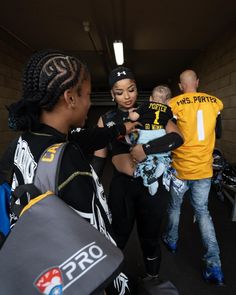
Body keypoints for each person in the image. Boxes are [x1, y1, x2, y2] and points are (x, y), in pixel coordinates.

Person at [7, 49, 139, 294]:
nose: (90, 102)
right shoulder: (69, 161)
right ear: (70, 98)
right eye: (87, 95)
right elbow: (92, 243)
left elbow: (89, 137)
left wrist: (122, 127)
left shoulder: (23, 142)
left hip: (38, 267)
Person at [93, 66, 183, 281]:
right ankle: (110, 281)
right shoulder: (106, 119)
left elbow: (177, 138)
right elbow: (99, 158)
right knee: (117, 236)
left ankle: (152, 279)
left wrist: (147, 149)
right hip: (122, 188)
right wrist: (90, 188)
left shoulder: (155, 110)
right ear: (112, 94)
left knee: (150, 238)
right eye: (119, 92)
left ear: (137, 89)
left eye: (131, 89)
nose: (127, 96)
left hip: (152, 188)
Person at [161, 69, 225, 285]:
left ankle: (171, 242)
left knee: (174, 208)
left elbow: (168, 134)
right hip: (204, 170)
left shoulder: (174, 104)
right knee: (203, 212)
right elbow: (220, 133)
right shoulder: (215, 102)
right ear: (197, 82)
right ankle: (214, 265)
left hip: (180, 169)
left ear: (180, 86)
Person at [127, 85, 174, 196]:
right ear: (167, 101)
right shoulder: (168, 109)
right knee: (163, 153)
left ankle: (149, 176)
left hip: (145, 134)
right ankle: (161, 164)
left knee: (143, 158)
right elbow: (170, 121)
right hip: (160, 134)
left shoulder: (145, 105)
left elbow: (133, 118)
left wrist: (130, 112)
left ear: (150, 98)